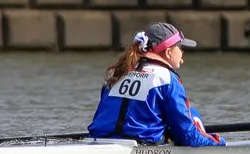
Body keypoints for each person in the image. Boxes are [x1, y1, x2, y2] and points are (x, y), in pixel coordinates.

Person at [88, 21, 222, 146]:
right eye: (180, 47)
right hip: (140, 147)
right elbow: (188, 135)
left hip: (98, 141)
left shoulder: (119, 72)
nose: (182, 53)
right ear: (168, 52)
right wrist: (219, 143)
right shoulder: (166, 79)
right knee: (193, 115)